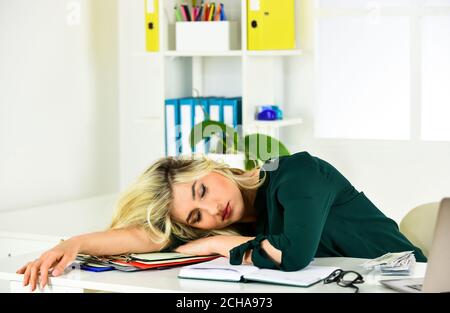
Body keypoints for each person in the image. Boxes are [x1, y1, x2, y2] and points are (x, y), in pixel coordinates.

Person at [17, 151, 426, 291]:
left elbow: (293, 254)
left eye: (201, 191)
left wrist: (215, 245)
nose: (212, 210)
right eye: (196, 217)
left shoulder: (297, 172)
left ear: (211, 166)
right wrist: (71, 245)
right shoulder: (240, 227)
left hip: (412, 283)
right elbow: (152, 237)